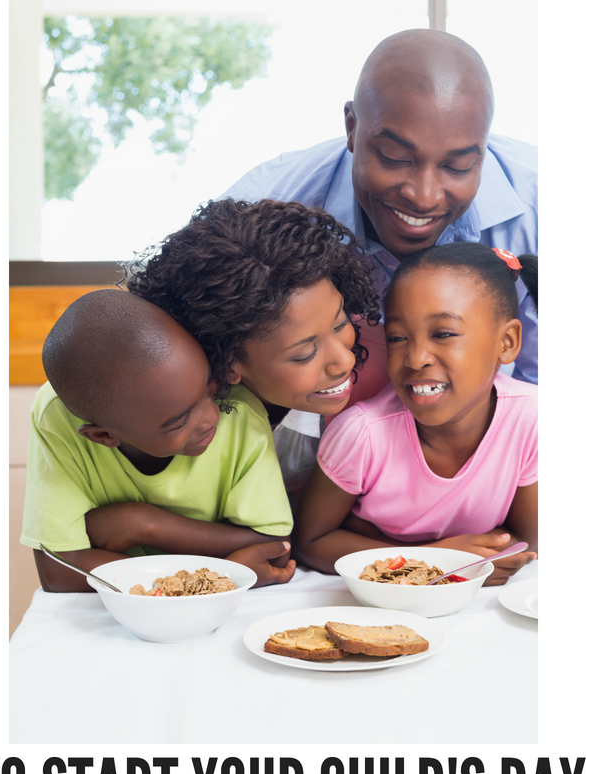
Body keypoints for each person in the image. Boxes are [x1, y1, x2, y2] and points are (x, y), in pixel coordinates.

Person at [221, 29, 538, 390]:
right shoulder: (257, 212)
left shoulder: (540, 206)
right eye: (395, 158)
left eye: (458, 167)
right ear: (352, 128)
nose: (424, 197)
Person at [295, 243, 538, 586]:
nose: (415, 358)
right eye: (397, 337)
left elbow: (528, 542)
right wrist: (435, 560)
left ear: (508, 342)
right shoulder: (362, 433)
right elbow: (310, 543)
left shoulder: (531, 418)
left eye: (443, 334)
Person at [21, 289, 295, 592]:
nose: (211, 417)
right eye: (179, 421)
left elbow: (275, 551)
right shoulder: (58, 415)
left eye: (209, 387)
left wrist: (144, 524)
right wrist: (226, 570)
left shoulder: (239, 411)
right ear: (103, 436)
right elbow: (59, 571)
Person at [124, 198, 381, 489]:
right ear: (228, 363)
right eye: (305, 353)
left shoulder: (385, 384)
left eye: (340, 323)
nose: (345, 361)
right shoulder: (184, 427)